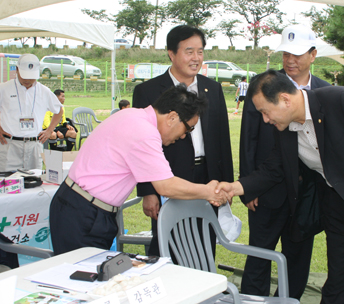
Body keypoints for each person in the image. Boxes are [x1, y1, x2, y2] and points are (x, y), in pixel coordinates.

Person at [218, 70, 344, 304]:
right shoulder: (285, 129)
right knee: (337, 287)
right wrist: (235, 188)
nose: (265, 119)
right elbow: (274, 168)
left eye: (265, 111)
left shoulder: (342, 100)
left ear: (285, 99)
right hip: (337, 212)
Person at [49, 84, 229, 255]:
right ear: (172, 117)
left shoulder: (134, 116)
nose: (183, 136)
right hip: (83, 213)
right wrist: (208, 191)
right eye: (188, 129)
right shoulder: (144, 131)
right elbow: (166, 186)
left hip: (84, 207)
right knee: (80, 281)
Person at [239, 24, 330, 299]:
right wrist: (249, 188)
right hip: (268, 190)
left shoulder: (325, 92)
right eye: (286, 54)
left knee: (298, 258)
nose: (290, 60)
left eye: (298, 54)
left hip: (308, 194)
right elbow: (248, 140)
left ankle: (288, 300)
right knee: (259, 255)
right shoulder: (264, 86)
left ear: (313, 55)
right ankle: (253, 299)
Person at [132, 25, 234, 257]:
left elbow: (221, 139)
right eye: (189, 51)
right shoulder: (148, 91)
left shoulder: (213, 89)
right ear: (171, 53)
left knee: (205, 242)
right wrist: (149, 191)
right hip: (169, 179)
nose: (196, 58)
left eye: (200, 51)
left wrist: (225, 184)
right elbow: (141, 146)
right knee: (167, 243)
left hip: (208, 176)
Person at [0, 54, 63, 172]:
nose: (28, 80)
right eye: (25, 76)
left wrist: (49, 130)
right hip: (10, 145)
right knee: (6, 184)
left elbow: (59, 110)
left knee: (35, 183)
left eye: (31, 77)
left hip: (34, 145)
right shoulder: (4, 88)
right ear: (17, 70)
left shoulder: (44, 91)